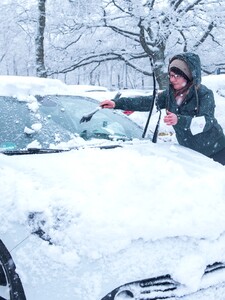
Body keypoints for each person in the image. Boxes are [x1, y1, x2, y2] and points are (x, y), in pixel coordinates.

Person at [100, 52, 225, 165]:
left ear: (188, 76)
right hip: (191, 153)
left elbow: (207, 121)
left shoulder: (204, 94)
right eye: (170, 75)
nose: (172, 79)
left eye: (176, 76)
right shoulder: (170, 95)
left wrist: (179, 120)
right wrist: (117, 103)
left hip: (216, 150)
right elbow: (147, 102)